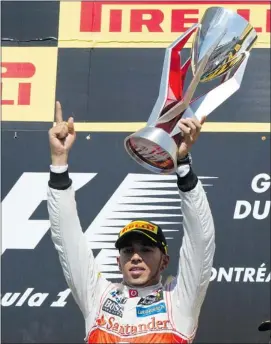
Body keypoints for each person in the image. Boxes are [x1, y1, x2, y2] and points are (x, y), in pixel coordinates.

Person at [47, 101, 215, 343]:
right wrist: (59, 161)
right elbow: (67, 240)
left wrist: (184, 167)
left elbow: (201, 241)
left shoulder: (179, 300)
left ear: (165, 260)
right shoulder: (100, 297)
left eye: (146, 249)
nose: (135, 256)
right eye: (128, 251)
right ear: (119, 261)